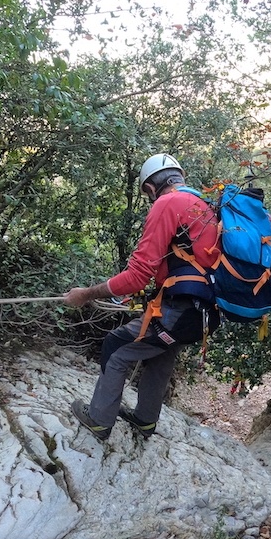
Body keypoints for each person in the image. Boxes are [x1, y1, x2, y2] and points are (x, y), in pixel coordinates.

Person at [63, 153, 221, 441]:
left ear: (150, 187)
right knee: (160, 353)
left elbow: (137, 275)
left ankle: (98, 420)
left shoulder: (168, 203)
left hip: (178, 312)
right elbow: (183, 267)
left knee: (116, 348)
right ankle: (145, 420)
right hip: (200, 315)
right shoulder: (205, 207)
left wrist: (85, 294)